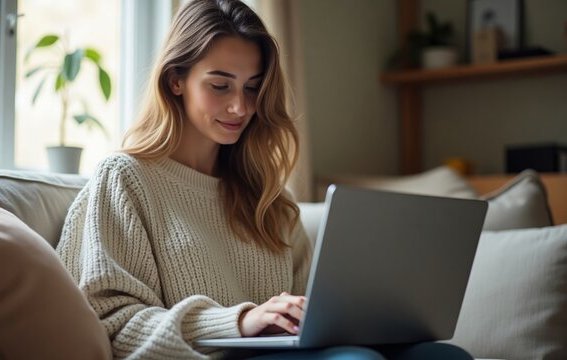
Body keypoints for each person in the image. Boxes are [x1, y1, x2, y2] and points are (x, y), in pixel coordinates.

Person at [56, 1, 473, 359]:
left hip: (290, 351)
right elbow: (112, 323)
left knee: (444, 355)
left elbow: (315, 308)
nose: (240, 106)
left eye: (253, 88)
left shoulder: (268, 196)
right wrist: (240, 320)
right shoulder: (126, 179)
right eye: (220, 85)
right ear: (175, 80)